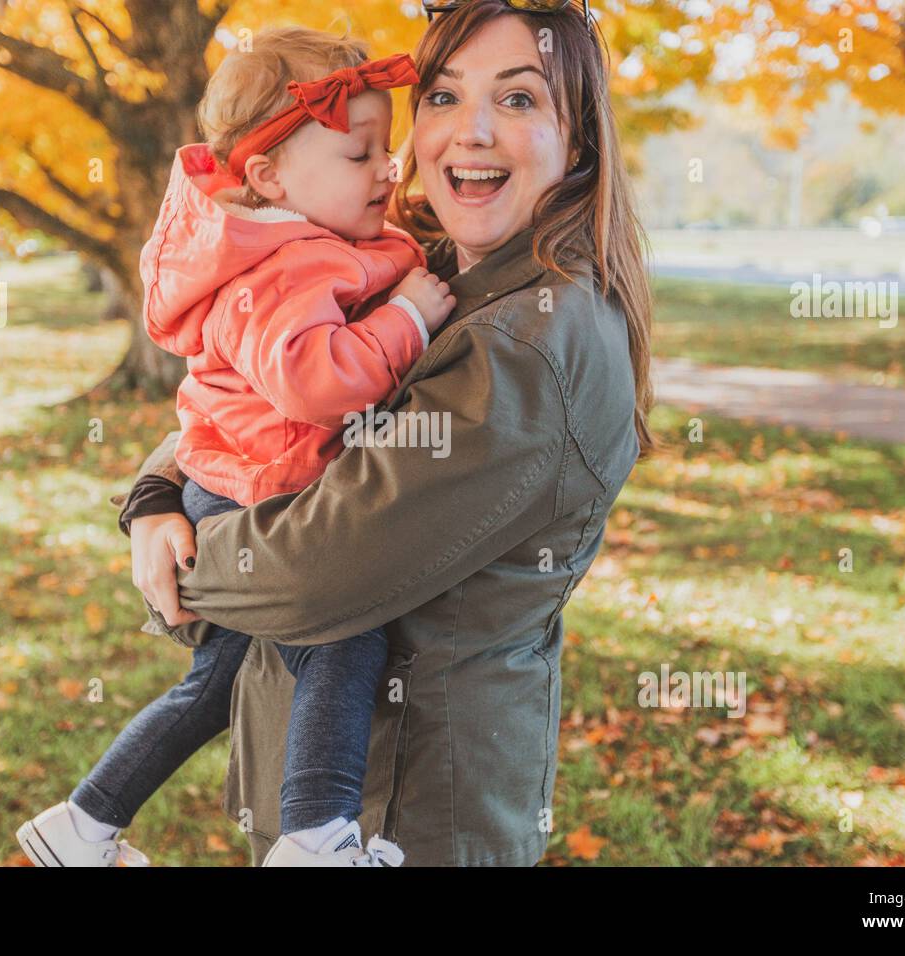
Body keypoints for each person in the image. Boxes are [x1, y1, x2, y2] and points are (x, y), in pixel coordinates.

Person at [123, 0, 655, 867]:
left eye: (518, 101)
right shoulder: (424, 263)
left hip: (406, 817)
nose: (470, 132)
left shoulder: (528, 346)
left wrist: (184, 554)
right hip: (319, 787)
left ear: (580, 139)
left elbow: (316, 571)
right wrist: (154, 499)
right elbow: (256, 391)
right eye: (443, 97)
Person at [16, 28, 456, 867]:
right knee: (342, 633)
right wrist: (408, 318)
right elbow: (316, 381)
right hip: (256, 491)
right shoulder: (285, 266)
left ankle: (84, 823)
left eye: (388, 149)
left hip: (239, 482)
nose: (388, 170)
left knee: (210, 685)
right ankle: (318, 834)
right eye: (361, 153)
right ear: (268, 177)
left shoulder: (308, 237)